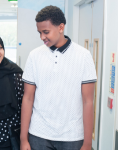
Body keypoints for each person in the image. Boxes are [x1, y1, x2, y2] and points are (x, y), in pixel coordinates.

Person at [20, 5, 97, 150]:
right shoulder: (34, 56)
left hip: (73, 136)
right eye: (39, 33)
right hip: (39, 135)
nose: (42, 37)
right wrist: (24, 139)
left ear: (61, 27)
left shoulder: (84, 56)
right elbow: (28, 98)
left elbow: (88, 101)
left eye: (46, 32)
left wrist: (87, 144)